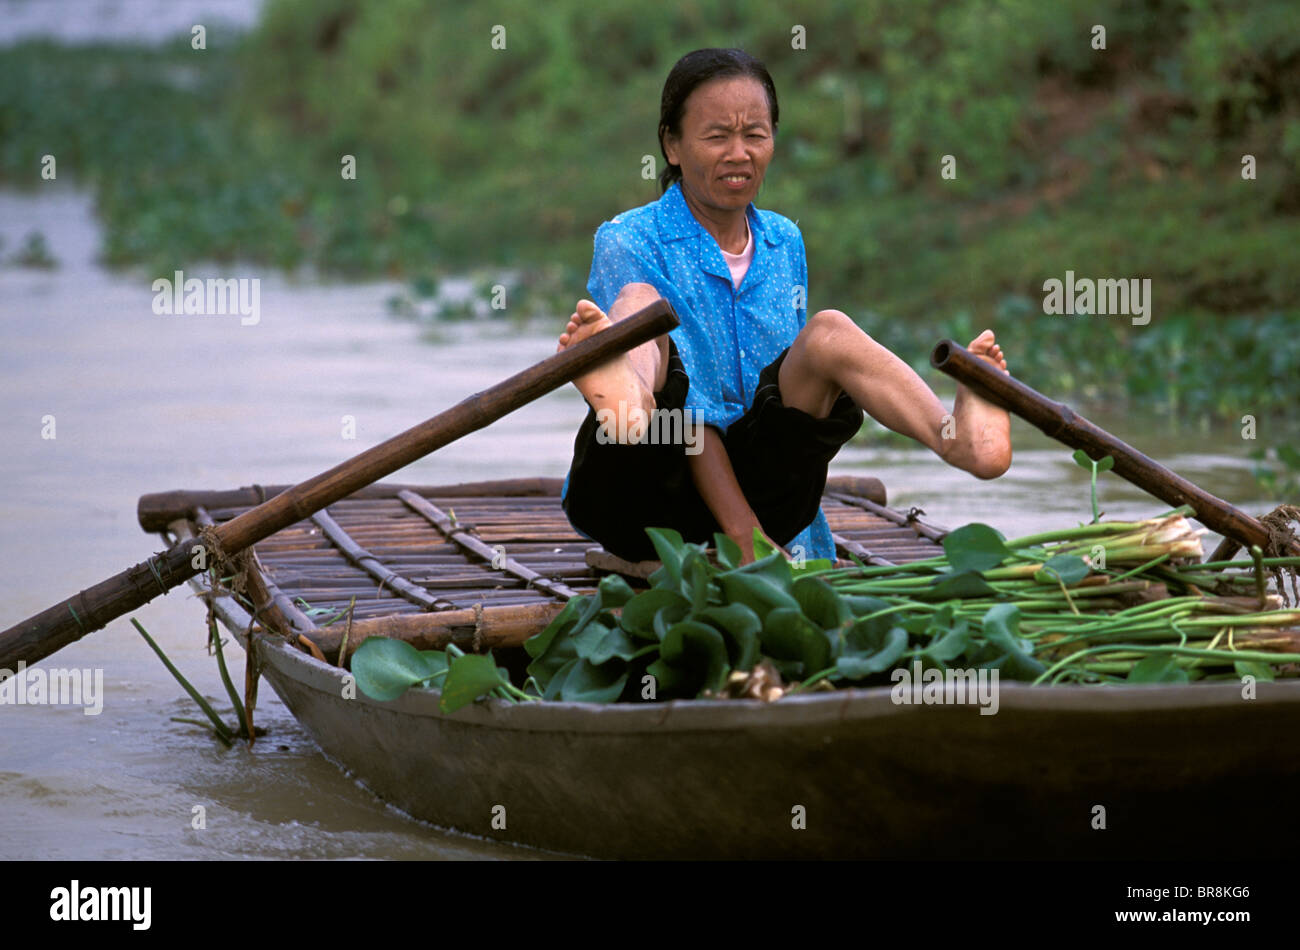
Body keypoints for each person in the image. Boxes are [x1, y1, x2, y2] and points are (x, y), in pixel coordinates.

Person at [559, 48, 1011, 565]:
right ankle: (630, 405)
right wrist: (745, 536)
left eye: (755, 134)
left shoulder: (783, 241)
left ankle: (959, 442)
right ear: (672, 145)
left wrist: (793, 539)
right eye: (716, 136)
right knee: (639, 307)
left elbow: (788, 414)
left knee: (828, 333)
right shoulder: (630, 239)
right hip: (644, 484)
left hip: (763, 492)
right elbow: (694, 422)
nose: (739, 153)